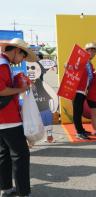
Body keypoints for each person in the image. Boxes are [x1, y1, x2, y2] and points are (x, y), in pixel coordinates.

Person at [0, 38, 37, 197]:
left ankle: (6, 188)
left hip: (3, 119)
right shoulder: (2, 64)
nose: (21, 60)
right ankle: (23, 192)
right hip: (8, 118)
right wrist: (21, 88)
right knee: (21, 155)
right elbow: (1, 90)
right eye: (22, 56)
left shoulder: (3, 63)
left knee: (4, 154)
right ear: (16, 51)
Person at [73, 42, 96, 139]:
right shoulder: (81, 60)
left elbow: (92, 76)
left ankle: (81, 129)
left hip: (84, 91)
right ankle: (79, 132)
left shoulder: (89, 64)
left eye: (94, 52)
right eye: (91, 51)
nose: (92, 54)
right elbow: (71, 66)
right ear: (86, 52)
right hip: (77, 90)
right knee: (77, 111)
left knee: (80, 110)